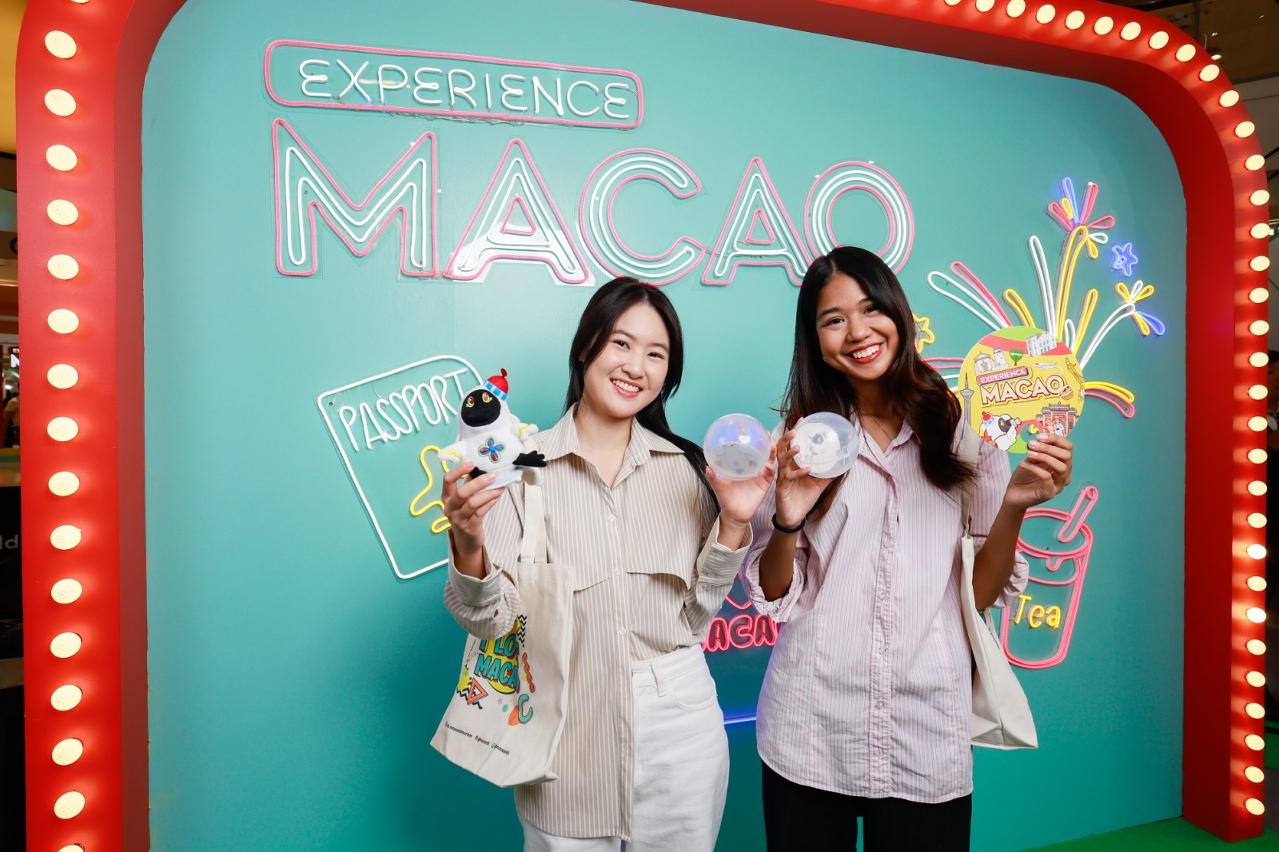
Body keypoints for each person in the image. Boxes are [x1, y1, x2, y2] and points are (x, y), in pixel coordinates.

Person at [743, 246, 1074, 851]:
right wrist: (788, 518)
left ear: (898, 313)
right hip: (810, 725)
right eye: (834, 319)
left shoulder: (967, 435)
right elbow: (774, 594)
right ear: (815, 340)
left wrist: (1015, 506)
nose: (857, 332)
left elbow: (978, 595)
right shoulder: (799, 443)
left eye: (871, 308)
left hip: (925, 727)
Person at [441, 277, 774, 852]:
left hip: (678, 721)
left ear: (668, 374)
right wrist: (468, 541)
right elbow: (491, 622)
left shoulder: (688, 469)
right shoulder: (518, 472)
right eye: (621, 343)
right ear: (585, 348)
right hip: (564, 716)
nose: (635, 366)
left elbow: (697, 619)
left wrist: (734, 523)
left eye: (656, 354)